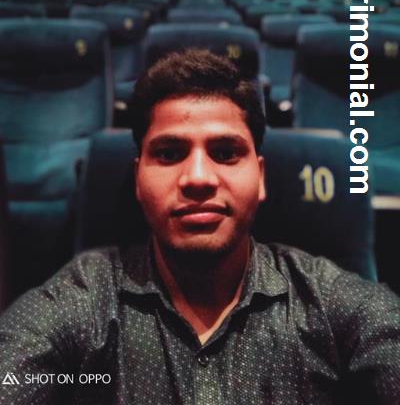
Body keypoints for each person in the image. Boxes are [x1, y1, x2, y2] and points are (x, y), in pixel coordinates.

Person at [0, 48, 400, 405]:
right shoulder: (81, 301)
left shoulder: (333, 303)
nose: (198, 178)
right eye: (169, 153)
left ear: (261, 177)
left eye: (225, 153)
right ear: (138, 178)